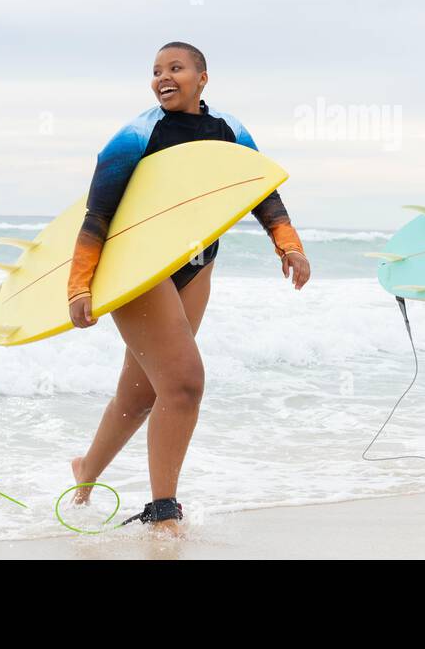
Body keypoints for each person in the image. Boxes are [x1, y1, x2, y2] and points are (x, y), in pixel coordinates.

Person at [65, 41, 312, 530]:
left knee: (141, 393)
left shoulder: (229, 129)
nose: (163, 77)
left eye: (175, 68)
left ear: (202, 77)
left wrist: (289, 245)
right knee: (183, 384)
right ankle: (162, 511)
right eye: (156, 71)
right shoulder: (136, 134)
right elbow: (98, 215)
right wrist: (79, 286)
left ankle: (85, 472)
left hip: (196, 262)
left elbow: (260, 190)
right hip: (136, 265)